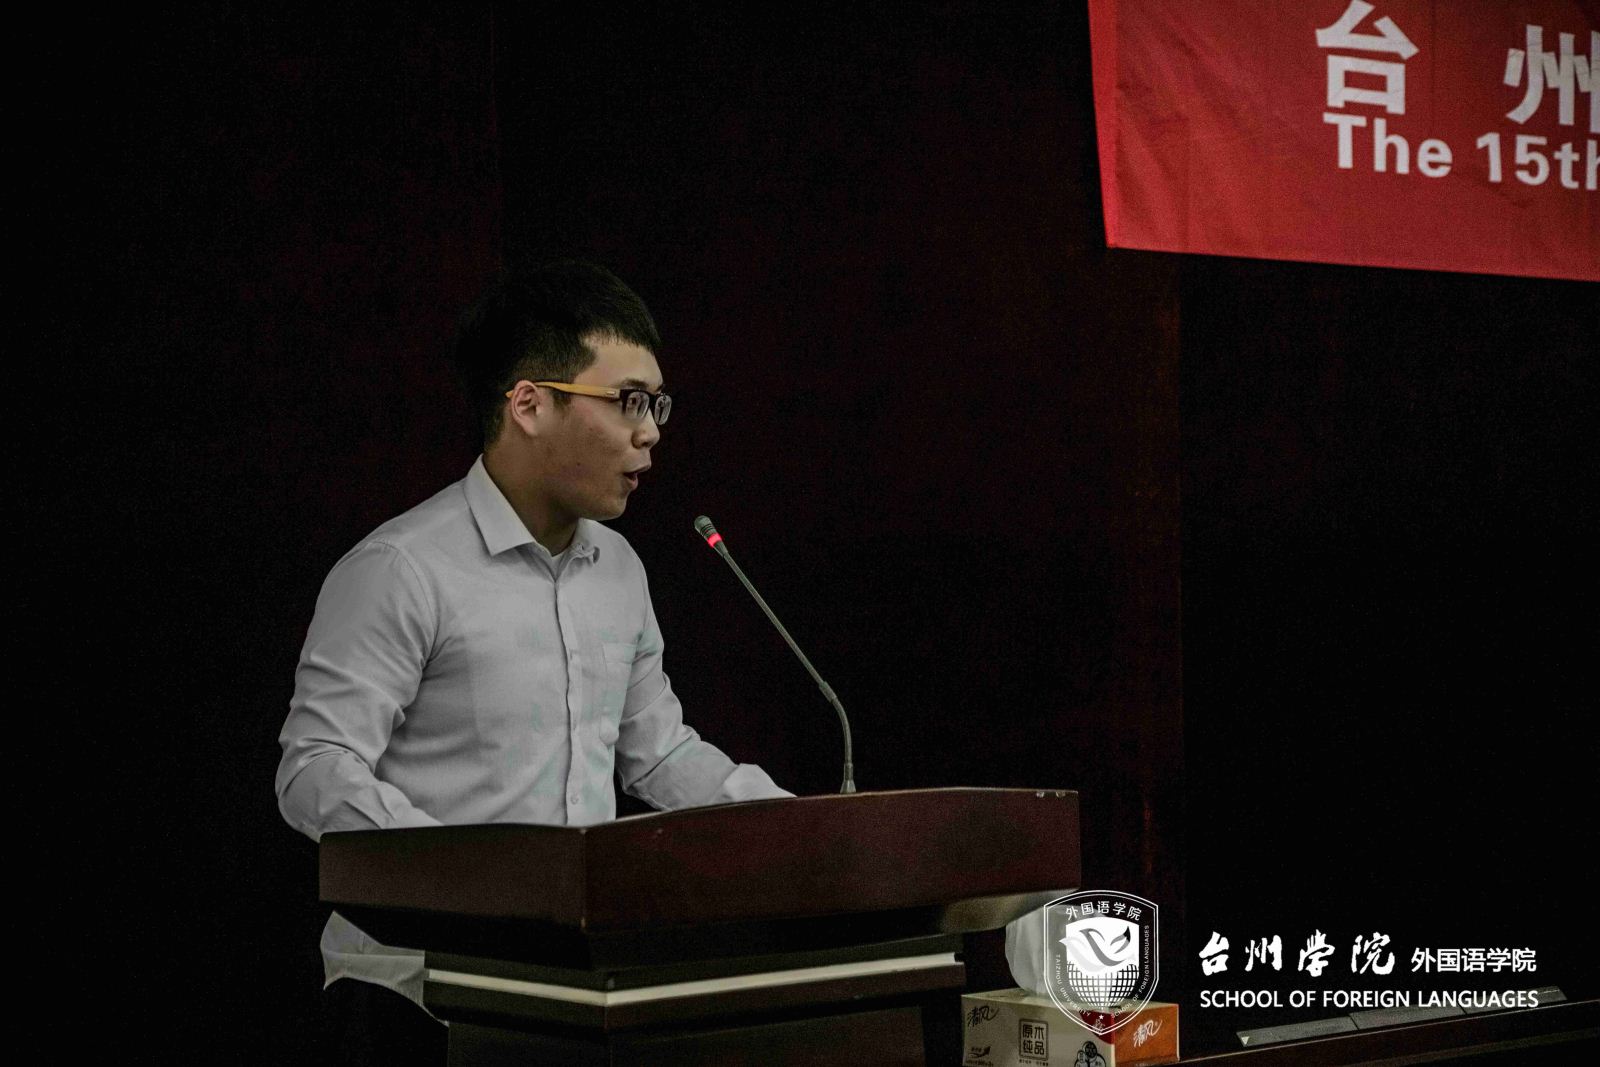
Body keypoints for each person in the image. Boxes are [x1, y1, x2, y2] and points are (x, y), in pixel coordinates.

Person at [275, 260, 791, 1065]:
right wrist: (474, 878)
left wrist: (797, 830)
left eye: (657, 405)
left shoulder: (619, 568)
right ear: (528, 404)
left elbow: (658, 753)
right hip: (414, 995)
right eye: (628, 401)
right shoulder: (400, 568)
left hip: (571, 991)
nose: (651, 431)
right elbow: (314, 767)